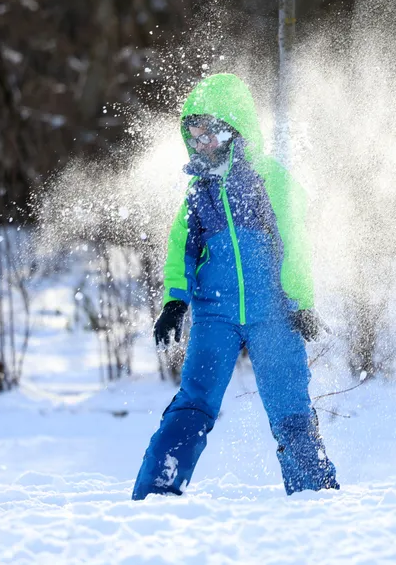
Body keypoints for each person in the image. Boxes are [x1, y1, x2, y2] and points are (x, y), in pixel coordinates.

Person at [132, 73, 339, 500]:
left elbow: (294, 241)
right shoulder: (198, 192)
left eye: (208, 133)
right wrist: (175, 301)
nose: (201, 143)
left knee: (290, 410)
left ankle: (313, 494)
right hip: (215, 314)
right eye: (194, 135)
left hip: (274, 314)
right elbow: (180, 251)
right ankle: (157, 491)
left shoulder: (269, 179)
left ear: (233, 129)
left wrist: (300, 301)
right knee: (195, 401)